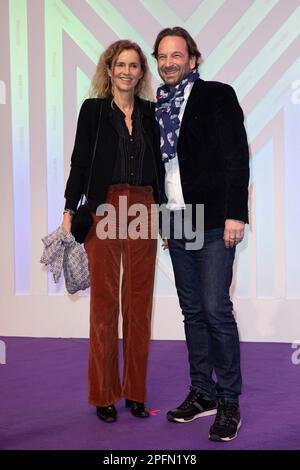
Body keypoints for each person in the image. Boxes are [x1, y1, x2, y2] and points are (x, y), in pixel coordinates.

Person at [152, 27, 249, 441]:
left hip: (213, 219)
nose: (169, 62)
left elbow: (236, 155)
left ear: (193, 59)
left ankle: (228, 400)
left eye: (177, 55)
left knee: (215, 310)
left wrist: (235, 214)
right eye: (162, 56)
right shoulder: (154, 106)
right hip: (176, 220)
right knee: (192, 312)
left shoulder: (216, 95)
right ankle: (202, 392)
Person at [62, 40, 163, 423]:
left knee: (139, 305)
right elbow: (78, 162)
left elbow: (162, 165)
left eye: (134, 66)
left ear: (141, 73)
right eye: (120, 64)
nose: (126, 71)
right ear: (109, 70)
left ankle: (135, 392)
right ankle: (104, 394)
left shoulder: (152, 114)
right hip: (104, 206)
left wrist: (165, 211)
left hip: (144, 206)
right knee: (104, 306)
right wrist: (70, 208)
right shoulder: (93, 111)